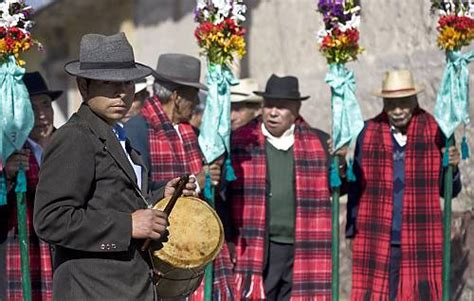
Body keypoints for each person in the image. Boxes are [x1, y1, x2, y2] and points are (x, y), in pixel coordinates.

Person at [33, 32, 197, 301]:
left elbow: (117, 200)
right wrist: (127, 226)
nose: (122, 93)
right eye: (109, 83)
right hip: (92, 289)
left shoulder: (116, 135)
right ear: (84, 87)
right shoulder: (75, 136)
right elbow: (51, 220)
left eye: (128, 83)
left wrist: (161, 196)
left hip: (128, 286)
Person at [125, 53, 234, 300]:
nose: (196, 102)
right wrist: (192, 185)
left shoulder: (193, 134)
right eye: (193, 95)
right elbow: (137, 189)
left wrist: (214, 176)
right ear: (176, 97)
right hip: (161, 251)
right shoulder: (137, 132)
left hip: (196, 244)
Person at [346, 69, 462, 301]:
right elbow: (356, 186)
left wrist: (454, 168)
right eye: (391, 104)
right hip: (377, 237)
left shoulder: (436, 131)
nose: (397, 111)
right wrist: (351, 230)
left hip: (420, 238)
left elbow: (449, 190)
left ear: (415, 101)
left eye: (403, 103)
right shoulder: (367, 133)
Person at [228, 74, 340, 300]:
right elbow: (225, 194)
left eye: (281, 106)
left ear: (296, 109)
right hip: (258, 244)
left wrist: (342, 162)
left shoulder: (319, 143)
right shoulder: (241, 141)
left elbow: (338, 186)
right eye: (269, 105)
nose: (273, 112)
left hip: (304, 246)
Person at [1, 71, 62, 301]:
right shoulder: (10, 152)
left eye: (46, 106)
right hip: (27, 250)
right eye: (32, 108)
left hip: (66, 251)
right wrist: (6, 176)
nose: (42, 115)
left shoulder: (68, 145)